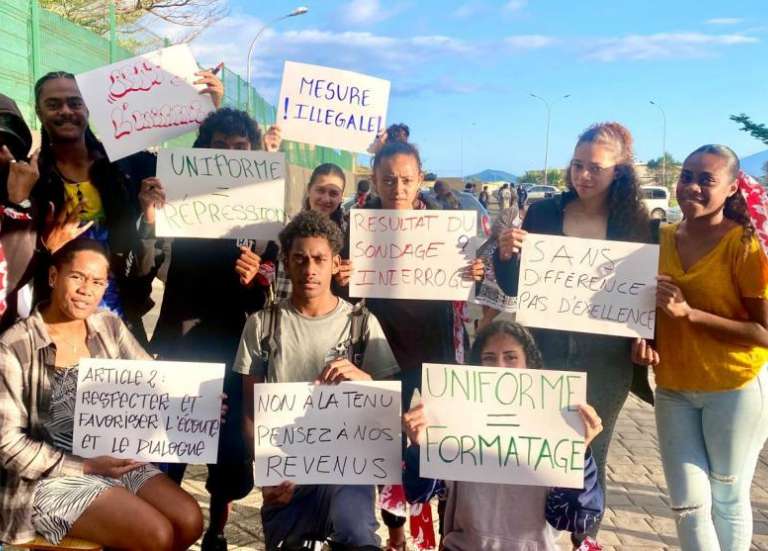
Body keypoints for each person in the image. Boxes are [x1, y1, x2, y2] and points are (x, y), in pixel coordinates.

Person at [493, 122, 656, 545]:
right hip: (543, 354)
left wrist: (647, 342)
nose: (582, 175)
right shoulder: (544, 214)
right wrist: (506, 255)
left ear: (620, 172)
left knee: (590, 454)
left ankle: (585, 541)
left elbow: (645, 300)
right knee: (537, 456)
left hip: (606, 364)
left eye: (595, 168)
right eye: (577, 164)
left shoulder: (638, 226)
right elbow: (514, 286)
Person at [0, 239, 203, 550]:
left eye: (97, 282)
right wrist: (88, 467)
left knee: (189, 520)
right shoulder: (15, 345)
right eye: (77, 277)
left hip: (113, 460)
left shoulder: (107, 325)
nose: (86, 290)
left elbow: (152, 380)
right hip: (44, 480)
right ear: (53, 276)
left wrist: (195, 401)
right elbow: (8, 445)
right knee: (156, 534)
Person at [146, 107, 281, 551]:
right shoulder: (179, 195)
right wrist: (150, 219)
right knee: (170, 443)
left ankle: (217, 531)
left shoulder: (264, 210)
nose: (230, 155)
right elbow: (150, 259)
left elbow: (267, 284)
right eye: (220, 146)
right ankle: (164, 527)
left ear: (253, 151)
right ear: (204, 149)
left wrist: (256, 278)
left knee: (229, 453)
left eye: (240, 147)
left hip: (235, 346)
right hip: (181, 340)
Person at [233, 210, 400, 551]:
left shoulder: (362, 324)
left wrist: (365, 379)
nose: (309, 269)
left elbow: (388, 413)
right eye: (300, 258)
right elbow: (250, 414)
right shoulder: (262, 325)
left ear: (335, 263)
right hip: (287, 475)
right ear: (286, 262)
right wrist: (264, 472)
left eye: (319, 259)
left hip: (348, 471)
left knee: (356, 535)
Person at [633, 145, 768, 551]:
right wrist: (645, 340)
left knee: (727, 499)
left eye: (706, 180)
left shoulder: (744, 245)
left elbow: (764, 331)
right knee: (688, 505)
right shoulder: (660, 239)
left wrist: (690, 314)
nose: (692, 187)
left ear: (731, 188)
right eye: (687, 176)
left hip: (735, 388)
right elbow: (647, 309)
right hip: (673, 388)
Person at [30, 70, 215, 346]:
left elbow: (189, 172)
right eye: (54, 104)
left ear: (88, 108)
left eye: (75, 103)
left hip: (121, 324)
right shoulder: (32, 177)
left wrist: (209, 115)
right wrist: (46, 247)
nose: (66, 111)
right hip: (56, 331)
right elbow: (13, 261)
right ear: (39, 112)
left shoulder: (123, 166)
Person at [363, 141, 485, 550]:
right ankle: (396, 533)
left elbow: (477, 286)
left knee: (444, 448)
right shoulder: (360, 228)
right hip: (382, 356)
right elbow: (344, 296)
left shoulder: (446, 229)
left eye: (406, 179)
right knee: (388, 451)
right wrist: (344, 277)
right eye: (388, 179)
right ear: (374, 180)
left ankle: (448, 535)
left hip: (438, 356)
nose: (397, 187)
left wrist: (475, 272)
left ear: (420, 179)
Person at [402, 321, 605, 551]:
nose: (500, 367)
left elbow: (576, 519)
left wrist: (578, 456)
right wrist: (420, 448)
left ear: (530, 365)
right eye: (489, 358)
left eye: (511, 357)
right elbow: (418, 493)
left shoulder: (555, 430)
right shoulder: (454, 424)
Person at [273, 163, 353, 303]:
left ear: (341, 197)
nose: (326, 199)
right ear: (309, 189)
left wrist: (349, 279)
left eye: (333, 193)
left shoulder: (351, 234)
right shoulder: (287, 229)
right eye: (320, 190)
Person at [0, 94, 39, 332]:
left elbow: (16, 277)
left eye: (10, 145)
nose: (5, 154)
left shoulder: (27, 202)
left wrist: (18, 205)